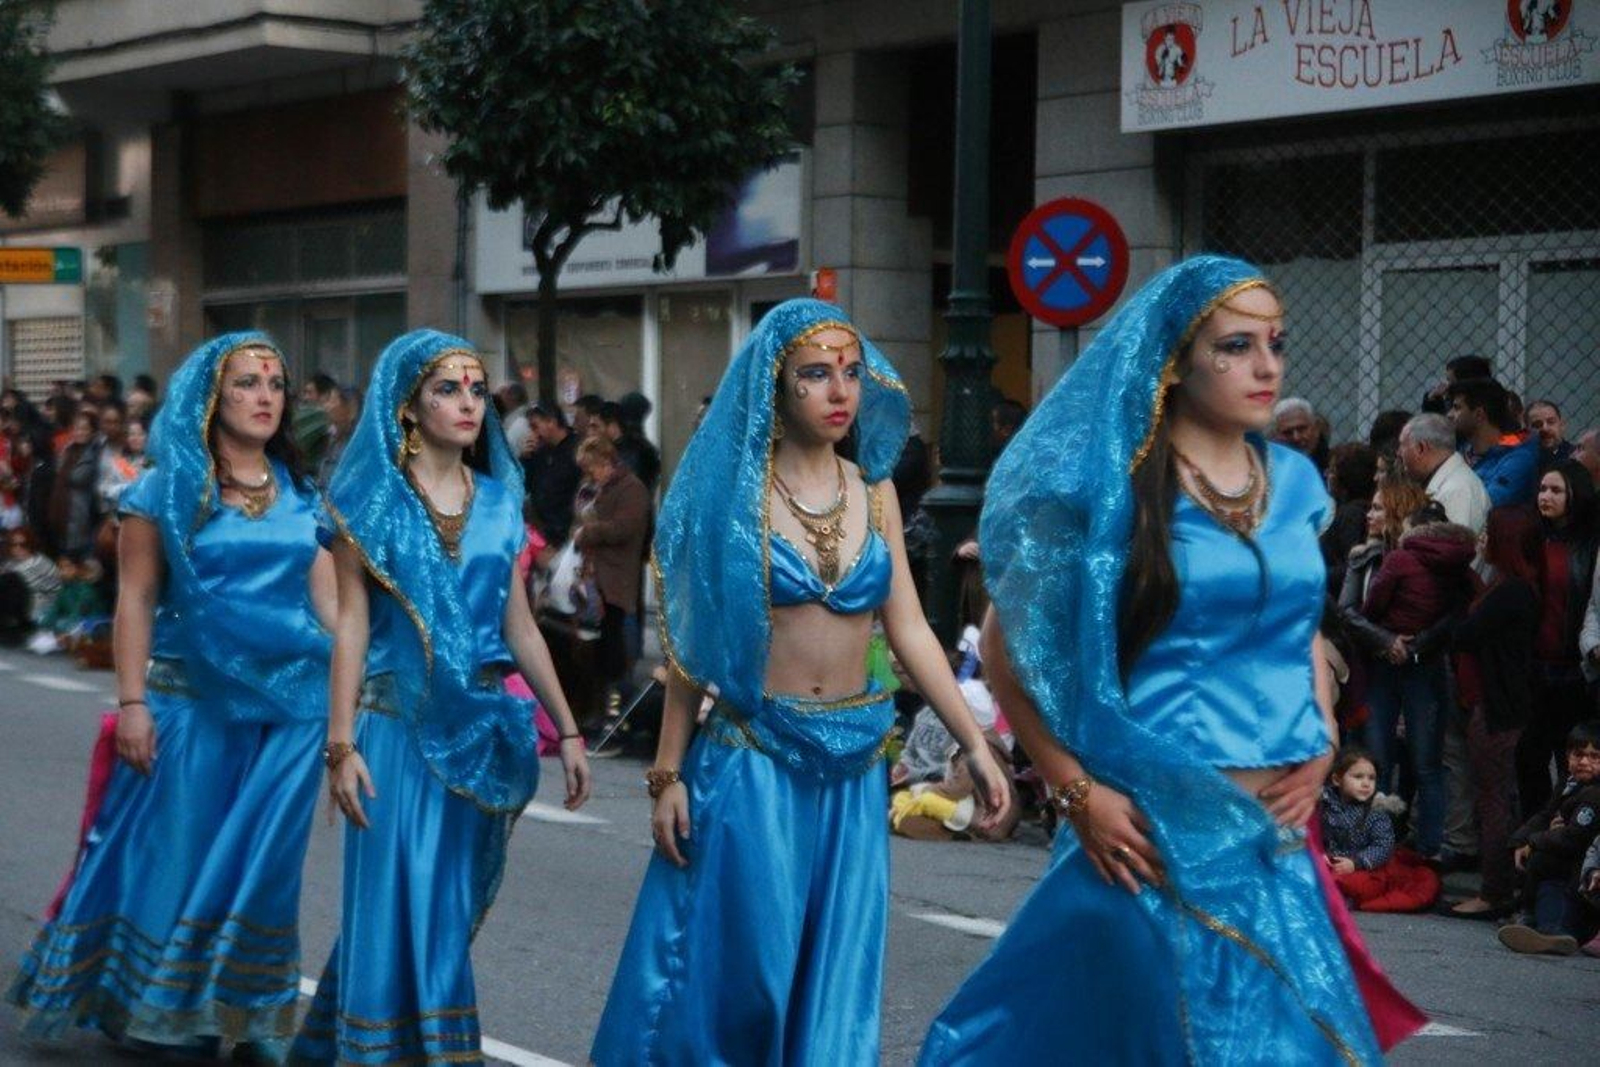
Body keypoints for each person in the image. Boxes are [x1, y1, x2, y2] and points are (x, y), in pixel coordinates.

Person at [921, 256, 1419, 1063]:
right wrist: (1076, 790)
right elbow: (1006, 657)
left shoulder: (1294, 482)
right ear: (1177, 360)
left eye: (1276, 343)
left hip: (1272, 839)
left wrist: (1324, 733)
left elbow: (1297, 623)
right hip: (1150, 835)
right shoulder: (1113, 489)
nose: (1266, 367)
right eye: (1236, 346)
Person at [590, 299, 1009, 1066]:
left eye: (850, 372)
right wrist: (668, 773)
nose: (839, 390)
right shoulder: (737, 495)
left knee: (835, 976)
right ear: (777, 387)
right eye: (816, 374)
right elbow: (696, 643)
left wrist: (975, 744)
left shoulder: (874, 490)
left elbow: (911, 629)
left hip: (853, 766)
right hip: (753, 756)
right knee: (744, 974)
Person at [8, 333, 334, 1058]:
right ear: (211, 398)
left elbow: (331, 610)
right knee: (177, 858)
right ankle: (158, 1008)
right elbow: (135, 597)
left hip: (289, 715)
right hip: (192, 703)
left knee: (261, 868)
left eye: (275, 384)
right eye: (247, 383)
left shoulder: (300, 491)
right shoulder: (163, 488)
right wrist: (132, 704)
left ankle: (245, 1012)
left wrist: (375, 678)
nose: (264, 397)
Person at [292, 329, 591, 1065]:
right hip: (395, 731)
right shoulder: (370, 505)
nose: (467, 403)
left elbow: (519, 625)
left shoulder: (499, 503)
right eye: (447, 389)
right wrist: (340, 744)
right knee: (395, 904)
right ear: (408, 405)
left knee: (440, 909)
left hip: (477, 733)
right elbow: (352, 627)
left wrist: (568, 729)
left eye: (477, 389)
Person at [1357, 502, 1476, 858]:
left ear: (1415, 529)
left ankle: (1375, 845)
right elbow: (1457, 614)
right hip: (1429, 664)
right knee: (1429, 765)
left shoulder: (1400, 558)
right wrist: (1421, 643)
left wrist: (1390, 640)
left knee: (1378, 761)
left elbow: (1373, 606)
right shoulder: (1459, 565)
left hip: (1387, 662)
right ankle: (1429, 849)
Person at [1445, 507, 1541, 919]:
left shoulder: (1511, 592)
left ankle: (1493, 890)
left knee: (1493, 799)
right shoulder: (1513, 587)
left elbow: (1465, 634)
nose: (1482, 538)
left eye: (1489, 532)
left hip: (1498, 708)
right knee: (1496, 795)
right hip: (1499, 703)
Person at [1522, 462, 1599, 817]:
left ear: (1574, 495)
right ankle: (1534, 829)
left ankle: (1567, 829)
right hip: (1536, 665)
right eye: (1542, 489)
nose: (1546, 497)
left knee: (1572, 761)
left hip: (1575, 668)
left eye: (1556, 490)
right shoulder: (1532, 539)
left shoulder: (1590, 545)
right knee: (1529, 756)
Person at [1498, 721, 1600, 956]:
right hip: (1569, 859)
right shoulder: (1570, 783)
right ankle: (1540, 923)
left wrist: (1535, 840)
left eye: (1594, 757)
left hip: (1584, 868)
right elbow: (1546, 814)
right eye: (1578, 755)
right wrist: (1520, 840)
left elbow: (1574, 837)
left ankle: (1552, 928)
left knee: (1548, 869)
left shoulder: (1594, 795)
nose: (1584, 762)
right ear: (1567, 756)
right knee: (1544, 870)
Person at [573, 434, 650, 724]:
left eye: (591, 467)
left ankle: (618, 715)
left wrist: (588, 533)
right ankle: (597, 710)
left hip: (616, 579)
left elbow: (624, 528)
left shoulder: (632, 489)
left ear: (606, 461)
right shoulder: (596, 488)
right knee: (595, 648)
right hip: (593, 576)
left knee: (614, 650)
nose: (589, 474)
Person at [1319, 748, 1438, 913]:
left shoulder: (1376, 813)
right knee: (1311, 871)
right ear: (1337, 780)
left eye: (1371, 778)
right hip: (1328, 859)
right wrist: (1319, 853)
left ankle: (1343, 896)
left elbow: (1383, 845)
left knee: (1363, 883)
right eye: (1358, 777)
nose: (1366, 783)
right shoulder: (1323, 804)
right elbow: (1311, 832)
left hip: (1362, 866)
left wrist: (1356, 863)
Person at [1447, 377, 1539, 508]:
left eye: (1457, 408)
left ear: (1479, 415)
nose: (1449, 414)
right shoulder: (1458, 452)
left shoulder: (1518, 458)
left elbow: (1485, 505)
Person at [1398, 412, 1489, 533]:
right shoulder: (1451, 483)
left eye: (1402, 446)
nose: (1398, 453)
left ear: (1421, 448)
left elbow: (1455, 544)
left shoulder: (1457, 491)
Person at [523, 402, 582, 546]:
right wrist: (526, 459)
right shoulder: (541, 453)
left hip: (567, 530)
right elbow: (526, 485)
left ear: (551, 422)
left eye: (535, 427)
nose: (533, 434)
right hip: (544, 530)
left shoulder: (577, 450)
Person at [1322, 442, 1378, 590]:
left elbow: (1352, 566)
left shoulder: (1352, 514)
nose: (1327, 474)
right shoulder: (1349, 510)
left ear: (1345, 477)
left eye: (1332, 470)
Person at [49, 410, 102, 560]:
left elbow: (78, 477)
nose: (79, 432)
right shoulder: (68, 450)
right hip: (62, 511)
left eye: (85, 428)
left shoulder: (95, 453)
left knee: (78, 557)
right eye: (76, 428)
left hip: (81, 514)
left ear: (93, 431)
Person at [1420, 353, 1491, 415]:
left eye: (1450, 381)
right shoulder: (1450, 402)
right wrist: (1432, 401)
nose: (1446, 385)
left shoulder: (1476, 407)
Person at [1528, 399, 1575, 470]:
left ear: (1562, 425)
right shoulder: (1522, 462)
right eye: (1537, 425)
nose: (1545, 428)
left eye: (1551, 422)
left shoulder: (1576, 458)